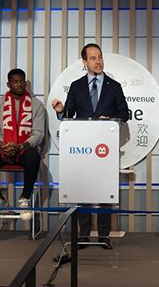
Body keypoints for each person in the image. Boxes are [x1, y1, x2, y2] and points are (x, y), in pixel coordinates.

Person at [51, 43, 129, 249]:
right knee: (84, 193)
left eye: (100, 57)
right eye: (93, 58)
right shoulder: (77, 86)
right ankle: (83, 236)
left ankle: (104, 236)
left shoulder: (114, 86)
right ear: (84, 62)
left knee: (105, 193)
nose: (98, 62)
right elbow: (69, 115)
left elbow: (125, 113)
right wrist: (60, 111)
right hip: (83, 148)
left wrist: (110, 118)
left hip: (105, 148)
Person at [0, 68, 45, 222]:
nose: (20, 84)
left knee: (34, 157)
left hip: (24, 149)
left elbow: (38, 133)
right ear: (8, 84)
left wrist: (22, 146)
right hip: (3, 149)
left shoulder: (37, 105)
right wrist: (1, 144)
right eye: (15, 82)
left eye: (22, 81)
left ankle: (24, 199)